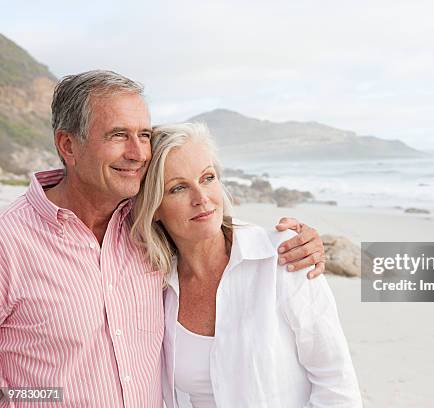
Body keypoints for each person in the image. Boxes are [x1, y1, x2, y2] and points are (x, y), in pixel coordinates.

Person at [0, 70, 326, 407]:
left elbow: (202, 219)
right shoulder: (8, 242)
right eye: (118, 135)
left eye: (143, 134)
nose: (138, 152)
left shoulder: (146, 229)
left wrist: (293, 242)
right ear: (68, 145)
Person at [131, 122, 362, 407]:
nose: (202, 198)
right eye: (178, 188)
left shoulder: (284, 256)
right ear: (152, 208)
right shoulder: (150, 283)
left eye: (207, 178)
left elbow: (336, 383)